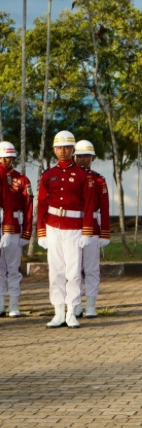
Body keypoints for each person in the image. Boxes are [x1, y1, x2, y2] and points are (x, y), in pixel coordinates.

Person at [37, 130, 96, 328]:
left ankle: (72, 310)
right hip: (53, 226)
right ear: (54, 150)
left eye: (67, 148)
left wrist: (87, 231)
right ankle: (58, 311)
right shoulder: (48, 175)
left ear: (73, 150)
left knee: (73, 272)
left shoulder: (82, 175)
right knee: (56, 271)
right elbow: (42, 204)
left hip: (74, 227)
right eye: (59, 148)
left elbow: (88, 205)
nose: (63, 151)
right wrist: (41, 232)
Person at [72, 140, 110, 318]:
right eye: (79, 156)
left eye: (87, 156)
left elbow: (105, 208)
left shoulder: (98, 180)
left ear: (92, 158)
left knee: (92, 268)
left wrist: (105, 232)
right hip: (71, 226)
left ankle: (91, 305)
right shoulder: (70, 178)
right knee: (72, 269)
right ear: (74, 157)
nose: (82, 160)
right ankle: (75, 304)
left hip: (93, 228)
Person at [0, 141, 32, 318]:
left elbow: (28, 207)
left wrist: (27, 232)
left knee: (13, 267)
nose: (6, 160)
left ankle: (13, 303)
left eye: (9, 157)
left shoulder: (21, 180)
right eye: (3, 157)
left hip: (14, 227)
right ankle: (0, 304)